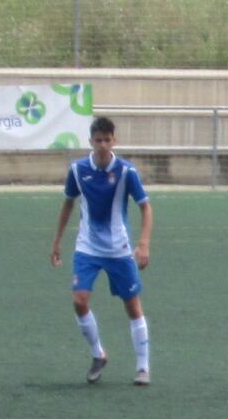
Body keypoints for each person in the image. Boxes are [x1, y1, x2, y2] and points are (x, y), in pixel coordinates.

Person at [51, 114, 154, 385]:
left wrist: (143, 243)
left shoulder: (126, 171)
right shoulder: (77, 169)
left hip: (119, 250)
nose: (103, 145)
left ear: (114, 140)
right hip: (87, 248)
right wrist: (57, 241)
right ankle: (99, 354)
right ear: (91, 141)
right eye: (98, 140)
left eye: (108, 140)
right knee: (79, 300)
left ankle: (143, 367)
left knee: (132, 306)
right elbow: (68, 204)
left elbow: (145, 207)